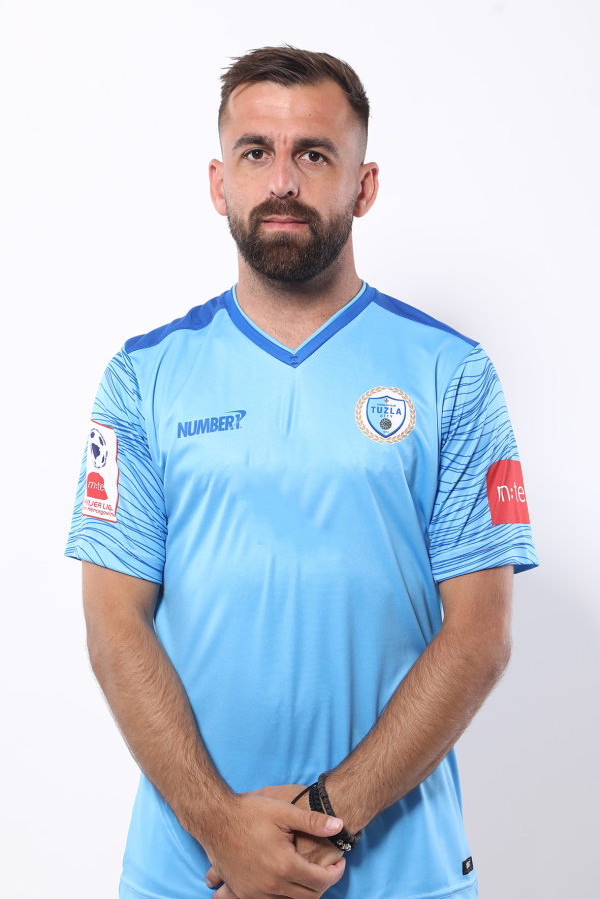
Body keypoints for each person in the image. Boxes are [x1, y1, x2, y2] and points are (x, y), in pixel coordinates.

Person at [66, 46, 538, 899]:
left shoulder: (454, 375)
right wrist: (223, 829)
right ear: (220, 183)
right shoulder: (141, 379)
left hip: (400, 875)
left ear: (364, 185)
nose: (282, 181)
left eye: (314, 154)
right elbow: (112, 625)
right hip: (192, 874)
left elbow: (480, 637)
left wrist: (320, 824)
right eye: (257, 152)